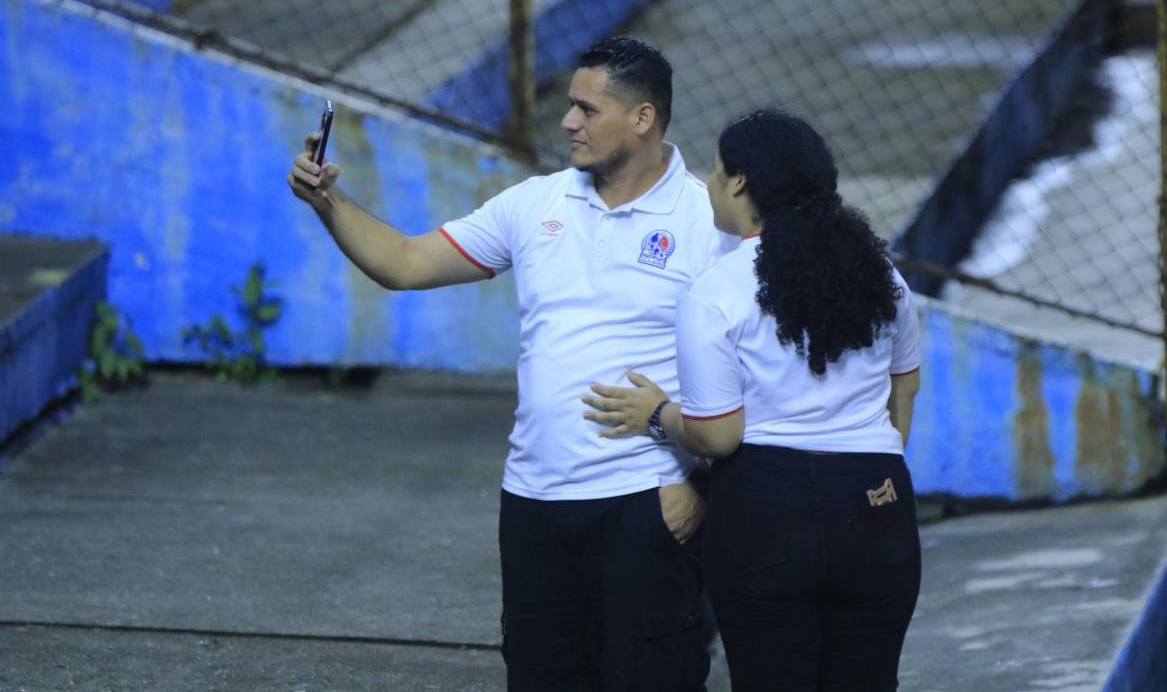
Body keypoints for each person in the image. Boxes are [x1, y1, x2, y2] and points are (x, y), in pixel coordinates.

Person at [288, 36, 734, 691]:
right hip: (534, 504)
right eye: (570, 107)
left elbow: (758, 371)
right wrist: (328, 201)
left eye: (586, 109)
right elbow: (406, 263)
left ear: (642, 119)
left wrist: (702, 489)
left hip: (646, 505)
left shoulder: (706, 219)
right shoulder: (536, 205)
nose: (567, 121)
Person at [583, 109, 923, 691]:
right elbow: (904, 392)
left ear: (740, 182)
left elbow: (720, 436)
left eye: (715, 173)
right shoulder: (883, 280)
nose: (711, 184)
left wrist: (659, 416)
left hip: (767, 512)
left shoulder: (717, 290)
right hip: (876, 505)